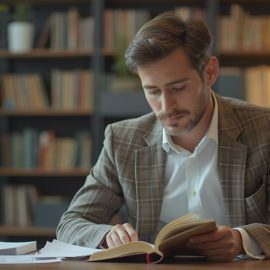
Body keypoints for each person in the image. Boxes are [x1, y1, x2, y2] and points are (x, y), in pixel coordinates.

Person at [56, 11, 270, 261]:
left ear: (209, 73)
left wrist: (241, 240)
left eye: (178, 88)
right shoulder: (122, 140)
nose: (166, 106)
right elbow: (71, 223)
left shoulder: (263, 129)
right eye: (153, 91)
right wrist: (106, 235)